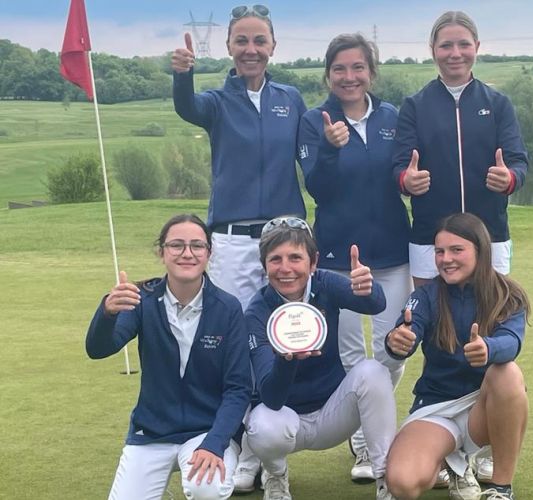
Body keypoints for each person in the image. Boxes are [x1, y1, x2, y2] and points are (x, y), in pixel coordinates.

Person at [172, 5, 307, 491]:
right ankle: (246, 447)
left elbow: (310, 150)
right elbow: (186, 109)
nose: (251, 50)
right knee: (239, 344)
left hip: (283, 239)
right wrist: (181, 76)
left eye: (260, 41)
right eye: (242, 41)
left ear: (273, 46)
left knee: (281, 337)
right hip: (230, 240)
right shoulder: (215, 100)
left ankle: (268, 452)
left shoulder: (290, 98)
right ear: (229, 47)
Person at [297, 33, 412, 482]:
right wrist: (329, 147)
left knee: (395, 349)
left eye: (358, 68)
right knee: (348, 356)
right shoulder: (314, 120)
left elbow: (402, 174)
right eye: (340, 69)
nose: (349, 76)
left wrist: (411, 180)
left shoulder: (392, 118)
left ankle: (369, 427)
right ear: (328, 74)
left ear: (371, 71)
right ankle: (367, 445)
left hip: (391, 250)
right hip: (333, 257)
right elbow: (317, 188)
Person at [85, 214, 252, 500]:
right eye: (176, 245)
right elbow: (99, 349)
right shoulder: (141, 299)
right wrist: (107, 313)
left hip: (207, 432)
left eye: (197, 246)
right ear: (162, 252)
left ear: (209, 253)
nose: (187, 253)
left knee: (206, 490)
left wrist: (214, 443)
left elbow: (238, 389)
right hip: (152, 433)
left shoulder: (228, 308)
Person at [243, 216, 397, 500]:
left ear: (313, 262)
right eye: (275, 259)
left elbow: (376, 304)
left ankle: (386, 478)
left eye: (295, 258)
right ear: (264, 265)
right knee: (262, 423)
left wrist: (368, 287)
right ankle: (275, 475)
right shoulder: (256, 311)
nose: (285, 268)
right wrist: (286, 361)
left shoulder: (324, 284)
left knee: (374, 371)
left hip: (333, 412)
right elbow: (271, 397)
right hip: (285, 421)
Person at [384, 213, 530, 500]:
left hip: (485, 407)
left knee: (508, 373)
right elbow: (408, 326)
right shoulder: (426, 295)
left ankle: (501, 489)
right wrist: (398, 340)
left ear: (481, 250)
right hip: (437, 406)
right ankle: (455, 465)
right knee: (403, 483)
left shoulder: (508, 294)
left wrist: (489, 348)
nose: (445, 259)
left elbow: (512, 342)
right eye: (440, 251)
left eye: (456, 250)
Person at [392, 10, 529, 287]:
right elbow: (399, 167)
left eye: (464, 44)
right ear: (433, 50)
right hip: (430, 238)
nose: (455, 53)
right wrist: (407, 180)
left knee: (488, 326)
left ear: (476, 47)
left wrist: (509, 178)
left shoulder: (498, 103)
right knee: (432, 325)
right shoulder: (415, 106)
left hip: (490, 234)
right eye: (446, 45)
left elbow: (518, 163)